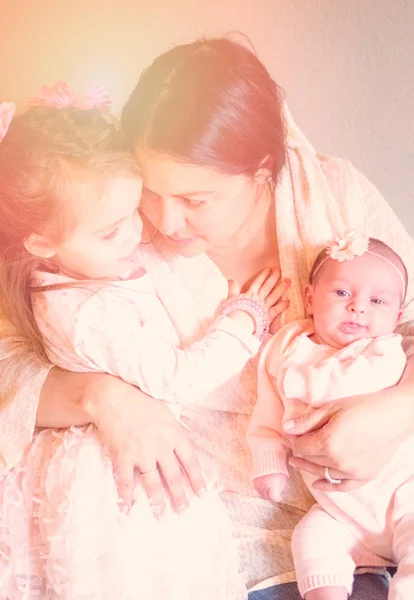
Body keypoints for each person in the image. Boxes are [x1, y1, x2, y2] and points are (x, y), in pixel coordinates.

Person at [1, 37, 413, 600]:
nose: (165, 220)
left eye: (195, 199)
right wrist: (102, 396)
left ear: (263, 171)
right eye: (152, 190)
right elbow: (10, 358)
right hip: (232, 543)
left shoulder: (333, 194)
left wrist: (398, 407)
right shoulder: (110, 235)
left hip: (386, 512)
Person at [0, 87, 286, 599]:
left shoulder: (77, 269)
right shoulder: (90, 310)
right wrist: (244, 319)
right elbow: (179, 377)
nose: (139, 233)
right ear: (40, 243)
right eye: (111, 231)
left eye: (135, 211)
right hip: (124, 482)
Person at [247, 233, 413, 599]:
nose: (358, 307)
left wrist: (299, 380)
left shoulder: (384, 351)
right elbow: (268, 415)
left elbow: (351, 384)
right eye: (342, 293)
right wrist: (269, 462)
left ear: (397, 316)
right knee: (311, 539)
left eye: (377, 301)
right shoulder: (286, 347)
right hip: (339, 508)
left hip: (403, 493)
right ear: (309, 298)